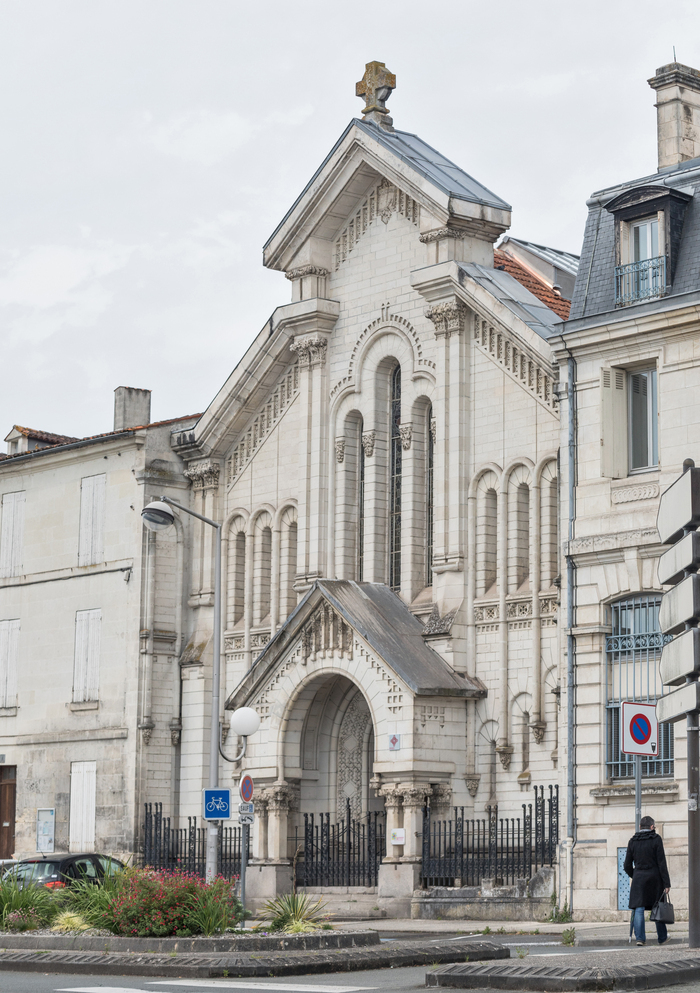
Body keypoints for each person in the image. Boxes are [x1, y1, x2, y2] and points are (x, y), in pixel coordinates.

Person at [624, 815, 671, 946]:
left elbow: (626, 865)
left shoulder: (633, 841)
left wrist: (636, 874)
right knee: (658, 907)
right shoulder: (656, 839)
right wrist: (666, 883)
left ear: (639, 827)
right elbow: (662, 863)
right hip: (655, 878)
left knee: (639, 907)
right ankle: (662, 937)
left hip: (639, 878)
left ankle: (640, 938)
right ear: (652, 827)